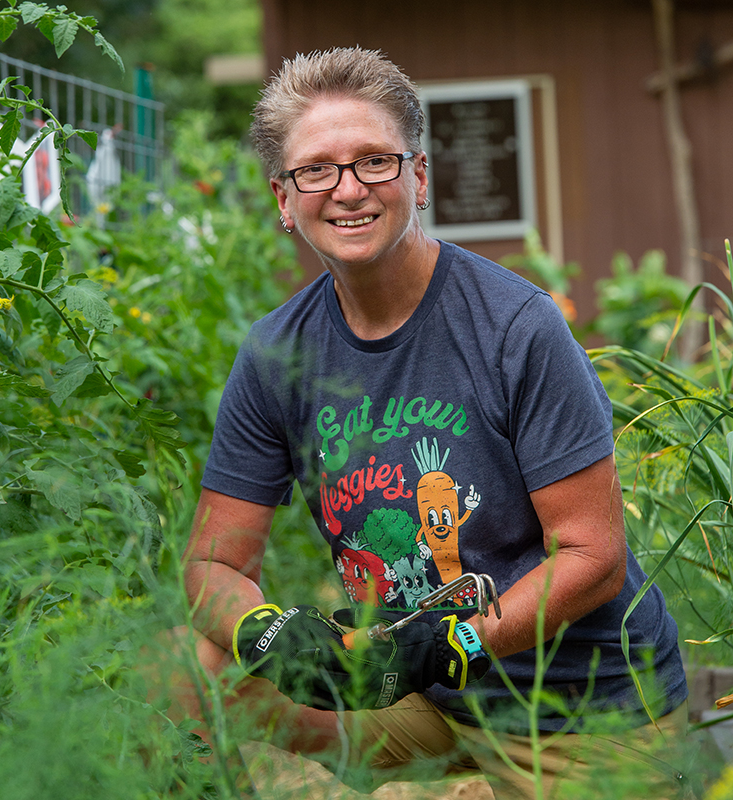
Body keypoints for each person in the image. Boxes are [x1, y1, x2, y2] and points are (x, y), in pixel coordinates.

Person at [178, 46, 691, 799]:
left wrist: (454, 639)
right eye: (317, 169)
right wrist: (269, 631)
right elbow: (211, 567)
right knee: (186, 666)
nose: (347, 189)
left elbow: (594, 555)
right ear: (284, 199)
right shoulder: (274, 355)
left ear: (418, 178)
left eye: (374, 162)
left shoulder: (516, 327)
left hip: (574, 704)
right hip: (416, 690)